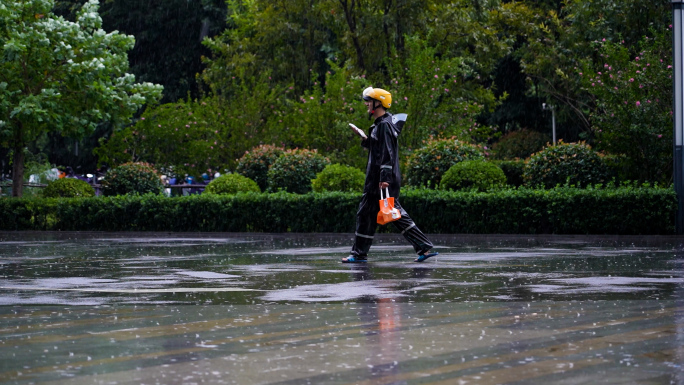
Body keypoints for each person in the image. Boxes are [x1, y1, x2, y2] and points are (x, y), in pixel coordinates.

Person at [342, 86, 438, 263]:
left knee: (394, 213)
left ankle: (424, 247)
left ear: (379, 103)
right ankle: (359, 254)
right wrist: (366, 140)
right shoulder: (381, 125)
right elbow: (379, 149)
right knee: (366, 214)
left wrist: (385, 179)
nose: (367, 105)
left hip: (382, 180)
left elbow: (387, 153)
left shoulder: (385, 125)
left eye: (369, 102)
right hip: (376, 179)